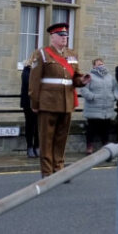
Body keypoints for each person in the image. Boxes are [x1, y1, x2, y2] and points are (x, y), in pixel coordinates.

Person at [28, 22, 90, 177]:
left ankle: (59, 168)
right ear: (52, 37)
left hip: (66, 102)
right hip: (48, 102)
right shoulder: (42, 54)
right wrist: (35, 103)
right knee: (46, 139)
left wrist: (82, 80)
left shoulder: (72, 55)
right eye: (61, 36)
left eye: (66, 35)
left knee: (61, 138)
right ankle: (48, 172)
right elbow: (34, 81)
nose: (64, 38)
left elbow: (74, 77)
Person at [79, 57, 117, 155]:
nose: (100, 65)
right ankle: (89, 146)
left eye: (101, 63)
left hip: (107, 108)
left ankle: (105, 144)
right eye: (98, 64)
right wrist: (92, 96)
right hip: (93, 108)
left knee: (106, 127)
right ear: (94, 66)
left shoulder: (110, 77)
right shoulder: (89, 76)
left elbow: (115, 88)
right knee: (91, 128)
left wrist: (114, 97)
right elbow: (83, 89)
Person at [19, 63, 39, 158]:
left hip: (41, 102)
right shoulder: (27, 70)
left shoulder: (43, 69)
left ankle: (37, 146)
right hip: (28, 102)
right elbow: (28, 82)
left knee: (39, 126)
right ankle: (29, 147)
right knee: (30, 125)